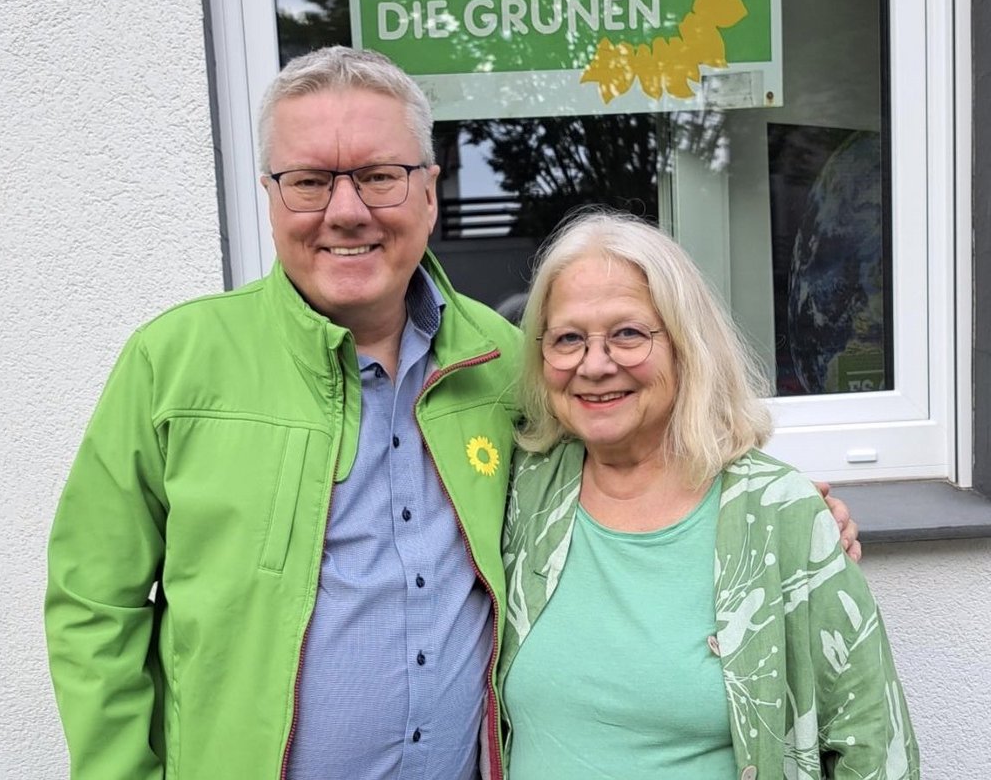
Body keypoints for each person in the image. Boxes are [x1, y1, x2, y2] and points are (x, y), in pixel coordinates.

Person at [45, 46, 859, 780]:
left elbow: (629, 460)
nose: (346, 210)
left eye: (379, 176)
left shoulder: (506, 360)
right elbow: (93, 605)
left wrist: (772, 513)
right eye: (310, 181)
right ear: (270, 196)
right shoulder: (174, 364)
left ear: (429, 191)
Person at [499, 209, 918, 779]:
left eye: (627, 334)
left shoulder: (779, 515)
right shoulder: (524, 494)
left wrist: (813, 530)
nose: (594, 365)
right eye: (568, 338)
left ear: (686, 345)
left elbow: (874, 749)